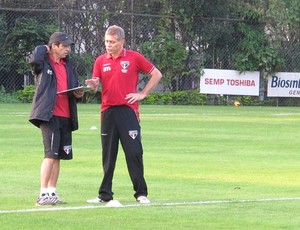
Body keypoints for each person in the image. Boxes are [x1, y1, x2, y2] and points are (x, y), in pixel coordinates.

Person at [86, 25, 162, 204]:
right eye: (106, 41)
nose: (108, 45)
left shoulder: (134, 57)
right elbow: (94, 87)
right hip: (108, 111)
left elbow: (156, 74)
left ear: (122, 42)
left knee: (134, 152)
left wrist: (142, 94)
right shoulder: (100, 60)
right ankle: (104, 194)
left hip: (128, 111)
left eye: (112, 42)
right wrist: (92, 86)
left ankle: (141, 193)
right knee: (108, 154)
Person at [27, 32, 84, 206]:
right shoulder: (43, 63)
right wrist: (43, 48)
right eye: (64, 46)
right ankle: (42, 194)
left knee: (58, 156)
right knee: (50, 155)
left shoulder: (68, 65)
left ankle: (52, 192)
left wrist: (79, 93)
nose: (68, 50)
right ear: (54, 46)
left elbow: (75, 87)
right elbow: (33, 60)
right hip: (49, 115)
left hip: (66, 115)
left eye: (69, 46)